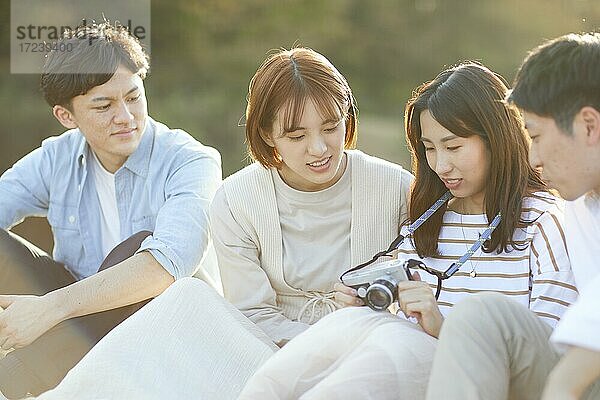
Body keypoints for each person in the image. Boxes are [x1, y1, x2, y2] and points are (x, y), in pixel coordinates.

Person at [22, 47, 414, 399]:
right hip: (268, 346)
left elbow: (418, 286)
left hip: (368, 345)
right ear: (267, 135)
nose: (319, 148)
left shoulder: (395, 188)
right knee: (184, 298)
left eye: (331, 128)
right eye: (296, 136)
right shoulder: (239, 197)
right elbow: (253, 315)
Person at [237, 62, 579, 400]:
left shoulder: (542, 221)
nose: (441, 165)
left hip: (496, 381)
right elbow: (401, 323)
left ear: (496, 138)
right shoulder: (425, 221)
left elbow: (547, 353)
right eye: (429, 148)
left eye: (454, 146)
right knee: (349, 326)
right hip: (419, 365)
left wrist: (440, 327)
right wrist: (367, 304)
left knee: (387, 349)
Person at [0, 22, 222, 397]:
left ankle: (12, 379)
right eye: (103, 106)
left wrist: (49, 310)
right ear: (67, 117)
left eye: (133, 97)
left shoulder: (190, 160)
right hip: (75, 326)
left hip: (166, 328)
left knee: (137, 249)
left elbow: (167, 266)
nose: (126, 117)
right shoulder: (57, 157)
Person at [426, 33, 600, 400]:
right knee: (478, 316)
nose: (533, 158)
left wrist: (563, 384)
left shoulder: (546, 217)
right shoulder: (578, 205)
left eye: (536, 136)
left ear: (588, 125)